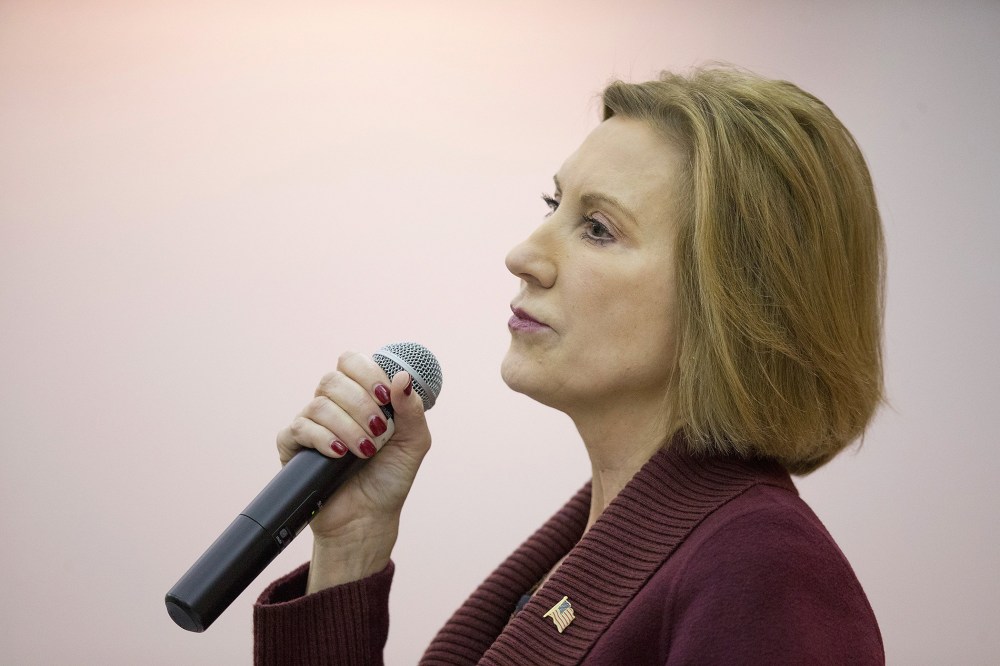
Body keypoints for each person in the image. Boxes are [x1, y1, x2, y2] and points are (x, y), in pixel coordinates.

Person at [253, 66, 886, 665]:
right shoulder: (588, 543)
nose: (525, 254)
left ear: (737, 295)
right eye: (551, 204)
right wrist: (349, 549)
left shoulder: (763, 568)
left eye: (598, 228)